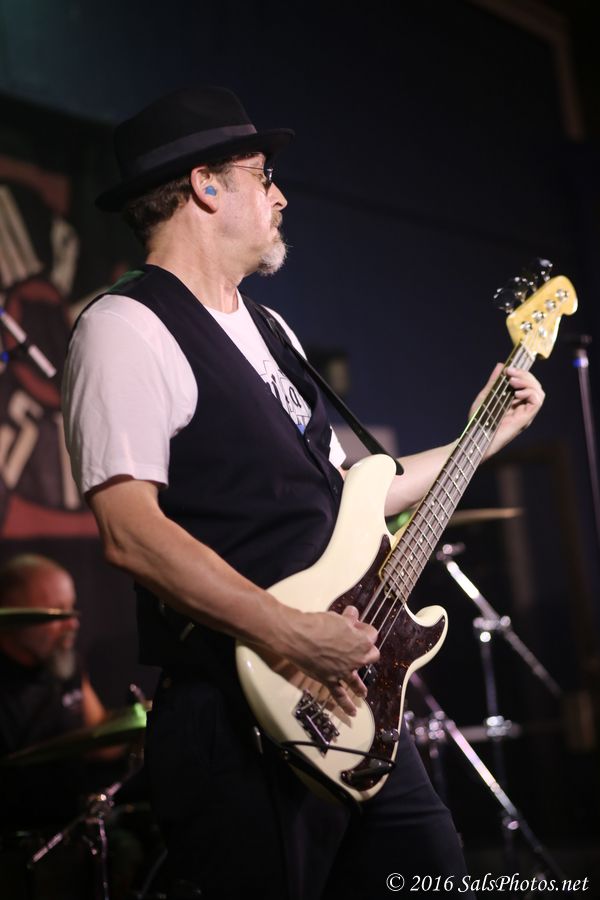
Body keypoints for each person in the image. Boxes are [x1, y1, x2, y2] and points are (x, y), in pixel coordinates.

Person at [61, 86, 545, 899]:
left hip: (351, 706)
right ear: (205, 185)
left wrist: (485, 435)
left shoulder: (273, 332)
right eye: (263, 175)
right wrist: (291, 632)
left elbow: (355, 496)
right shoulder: (125, 327)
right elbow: (130, 532)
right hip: (239, 716)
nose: (281, 197)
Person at [0, 554, 109, 827]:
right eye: (56, 613)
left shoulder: (66, 664)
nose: (72, 624)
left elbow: (100, 739)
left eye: (71, 608)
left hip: (72, 825)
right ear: (12, 613)